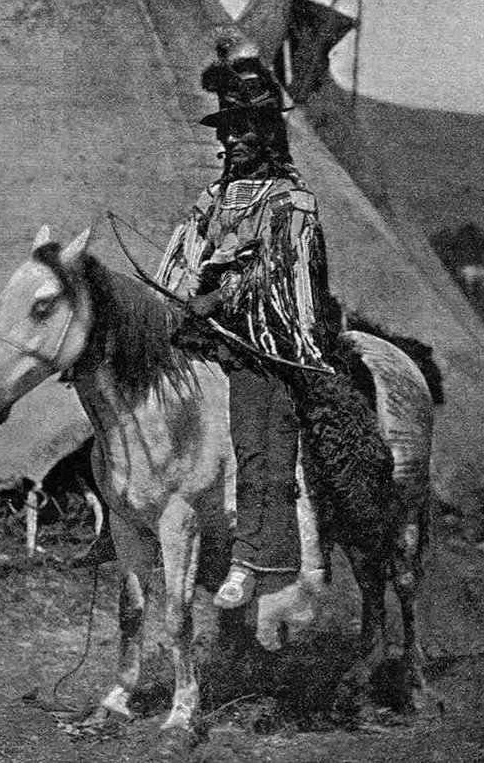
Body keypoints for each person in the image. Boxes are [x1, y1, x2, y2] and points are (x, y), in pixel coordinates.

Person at [156, 36, 334, 609]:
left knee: (262, 431)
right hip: (207, 327)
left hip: (264, 336)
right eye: (226, 129)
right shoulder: (213, 199)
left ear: (269, 134)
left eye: (245, 128)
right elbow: (185, 261)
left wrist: (222, 290)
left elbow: (284, 285)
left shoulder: (290, 204)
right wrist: (192, 285)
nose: (232, 139)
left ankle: (257, 558)